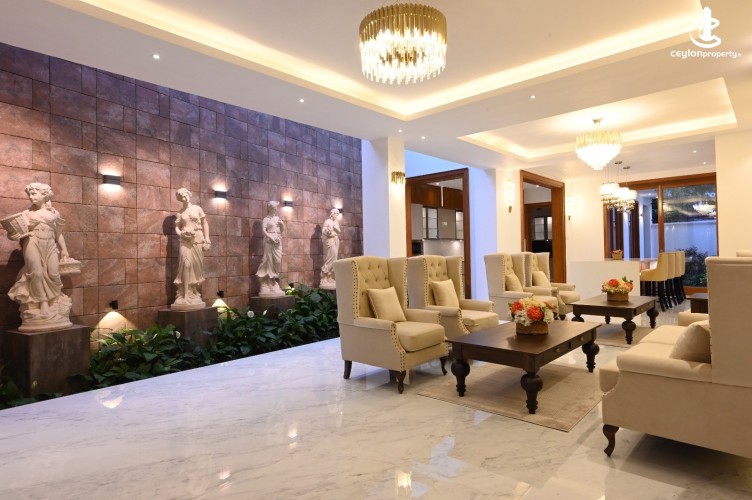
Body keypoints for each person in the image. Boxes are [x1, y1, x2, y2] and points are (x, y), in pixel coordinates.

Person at [6, 182, 73, 330]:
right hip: (32, 243)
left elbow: (58, 233)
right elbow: (14, 233)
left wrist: (64, 250)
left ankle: (54, 301)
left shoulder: (54, 213)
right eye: (29, 194)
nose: (31, 197)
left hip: (50, 245)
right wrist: (16, 234)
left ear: (44, 195)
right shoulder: (26, 214)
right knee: (36, 273)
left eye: (34, 193)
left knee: (54, 274)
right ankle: (42, 302)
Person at [173, 188, 211, 308]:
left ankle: (192, 291)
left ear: (189, 195)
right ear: (180, 199)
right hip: (185, 240)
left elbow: (205, 223)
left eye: (186, 195)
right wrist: (181, 234)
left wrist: (207, 238)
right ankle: (184, 295)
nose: (185, 198)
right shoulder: (180, 213)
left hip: (198, 238)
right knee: (186, 264)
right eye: (182, 197)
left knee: (196, 265)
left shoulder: (197, 208)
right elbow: (177, 227)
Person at [256, 201, 285, 296]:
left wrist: (282, 225)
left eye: (276, 207)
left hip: (278, 241)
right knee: (269, 260)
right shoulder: (266, 219)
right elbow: (264, 231)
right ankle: (269, 280)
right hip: (269, 241)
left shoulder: (277, 218)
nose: (275, 209)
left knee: (278, 260)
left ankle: (274, 279)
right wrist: (271, 237)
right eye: (274, 207)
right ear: (269, 208)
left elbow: (281, 231)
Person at [320, 208, 341, 289]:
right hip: (329, 240)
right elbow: (323, 231)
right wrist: (327, 231)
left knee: (334, 258)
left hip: (335, 240)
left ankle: (329, 276)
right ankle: (324, 277)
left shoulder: (336, 222)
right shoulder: (327, 221)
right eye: (336, 214)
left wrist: (335, 227)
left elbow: (339, 231)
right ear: (332, 214)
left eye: (337, 214)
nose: (337, 216)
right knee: (330, 257)